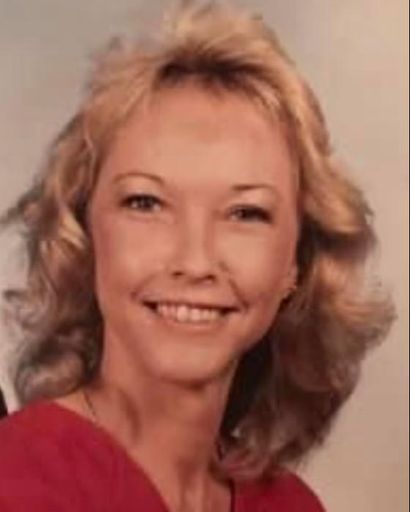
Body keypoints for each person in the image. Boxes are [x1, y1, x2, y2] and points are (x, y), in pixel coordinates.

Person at [0, 2, 394, 511]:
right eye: (146, 203)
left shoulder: (291, 505)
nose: (195, 260)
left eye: (246, 213)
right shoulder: (17, 477)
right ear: (86, 234)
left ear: (296, 262)